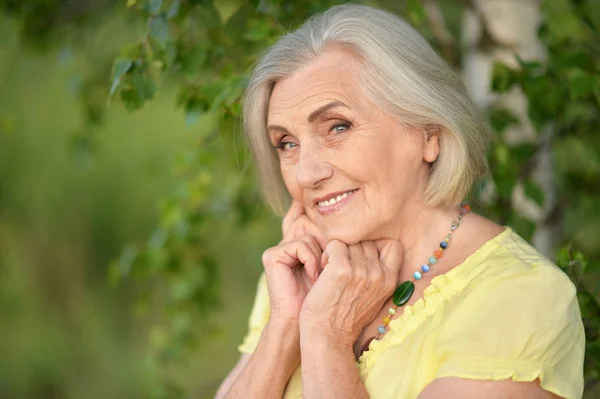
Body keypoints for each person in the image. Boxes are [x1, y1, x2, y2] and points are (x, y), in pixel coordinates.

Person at [216, 4, 585, 399]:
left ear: (428, 133)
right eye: (286, 143)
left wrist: (326, 335)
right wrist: (288, 322)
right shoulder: (299, 273)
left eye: (337, 127)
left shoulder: (518, 297)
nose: (306, 174)